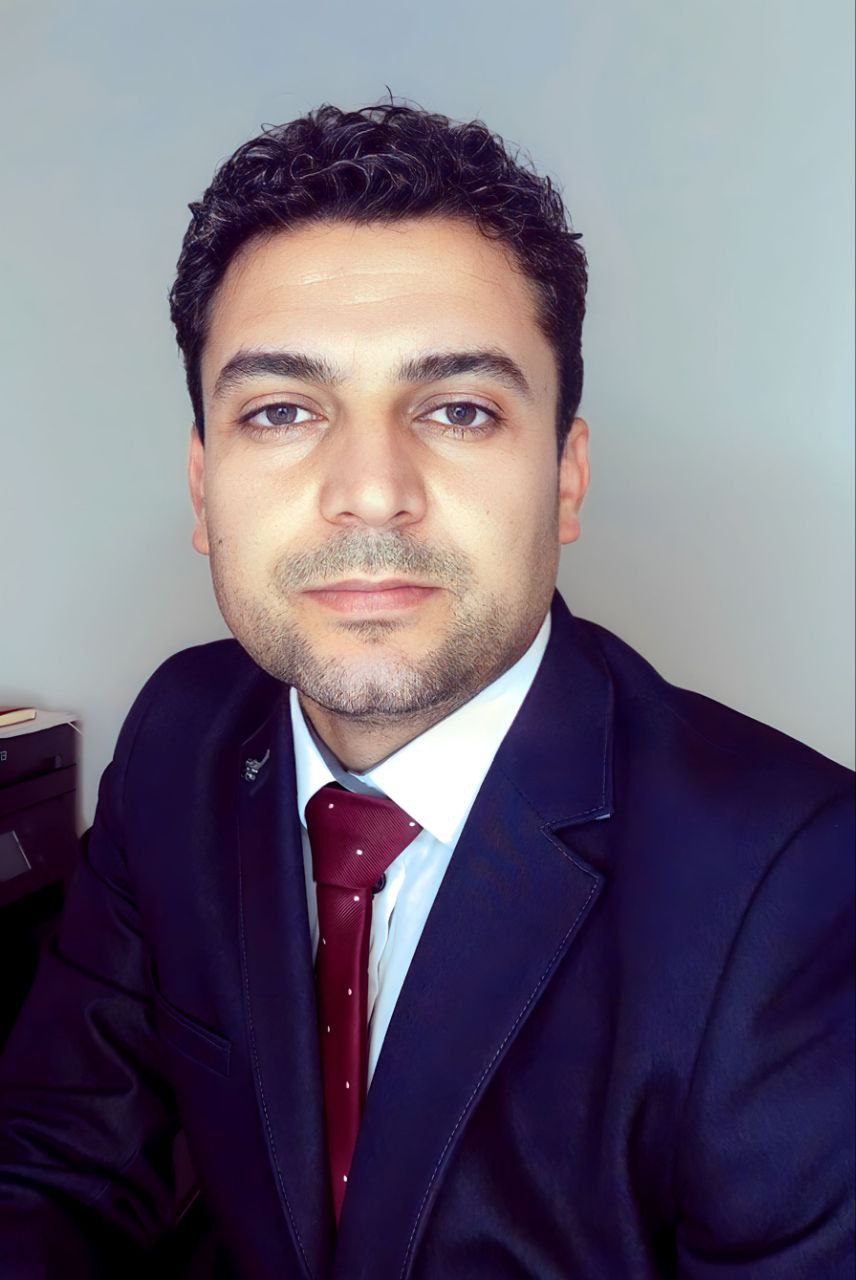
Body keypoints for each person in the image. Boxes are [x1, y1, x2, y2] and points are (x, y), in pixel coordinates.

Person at [0, 100, 853, 1279]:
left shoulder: (801, 881)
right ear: (203, 487)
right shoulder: (181, 735)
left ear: (565, 476)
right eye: (281, 410)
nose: (370, 488)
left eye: (458, 409)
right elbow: (54, 1163)